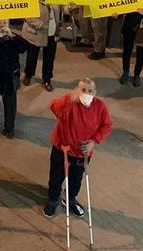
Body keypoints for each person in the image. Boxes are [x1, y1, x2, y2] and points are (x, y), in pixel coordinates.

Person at [42, 78, 113, 219]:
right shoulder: (70, 103)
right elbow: (54, 106)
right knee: (56, 175)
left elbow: (107, 125)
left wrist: (94, 141)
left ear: (95, 92)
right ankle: (53, 198)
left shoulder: (100, 107)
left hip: (83, 153)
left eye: (90, 91)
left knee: (76, 178)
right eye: (83, 90)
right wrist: (70, 98)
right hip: (62, 148)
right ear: (77, 91)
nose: (87, 94)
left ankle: (70, 199)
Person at [23, 0, 58, 91]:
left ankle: (47, 79)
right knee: (32, 56)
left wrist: (71, 7)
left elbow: (64, 10)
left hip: (52, 33)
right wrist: (41, 25)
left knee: (49, 57)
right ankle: (28, 75)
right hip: (37, 32)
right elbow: (27, 16)